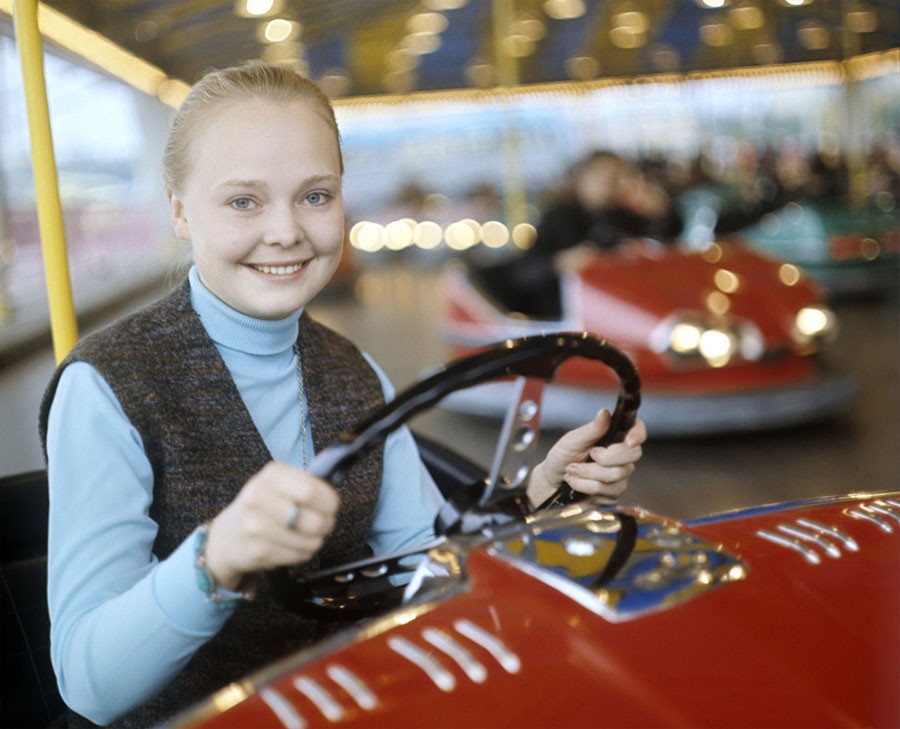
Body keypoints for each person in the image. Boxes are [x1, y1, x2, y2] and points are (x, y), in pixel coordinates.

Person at [39, 62, 647, 729]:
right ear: (180, 210)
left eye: (315, 196)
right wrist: (216, 561)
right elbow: (87, 681)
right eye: (244, 200)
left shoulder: (354, 370)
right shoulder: (107, 385)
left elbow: (429, 564)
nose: (287, 231)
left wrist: (541, 493)